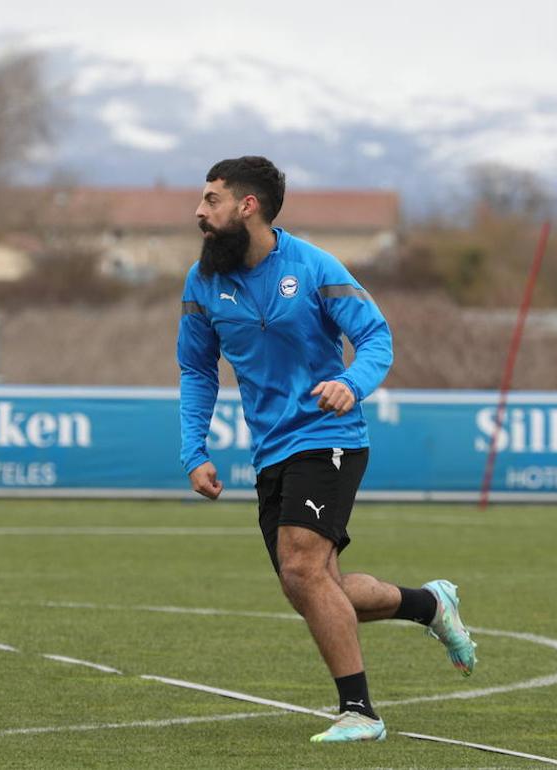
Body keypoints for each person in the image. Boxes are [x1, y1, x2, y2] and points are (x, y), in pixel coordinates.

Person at [177, 156, 476, 743]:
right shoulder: (202, 282)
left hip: (329, 438)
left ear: (248, 206)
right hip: (271, 452)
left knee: (302, 567)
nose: (198, 211)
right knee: (310, 588)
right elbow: (196, 369)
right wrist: (194, 449)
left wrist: (351, 383)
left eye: (211, 199)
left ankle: (360, 712)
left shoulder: (314, 267)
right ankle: (429, 605)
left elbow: (375, 337)